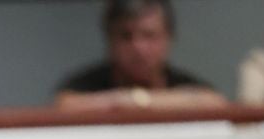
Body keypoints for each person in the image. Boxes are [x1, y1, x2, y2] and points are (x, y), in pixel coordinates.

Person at [55, 0, 227, 111]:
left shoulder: (184, 83)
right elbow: (64, 106)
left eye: (149, 35)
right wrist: (124, 100)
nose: (138, 47)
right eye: (126, 36)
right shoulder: (86, 83)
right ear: (109, 40)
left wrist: (137, 101)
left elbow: (215, 103)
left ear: (169, 38)